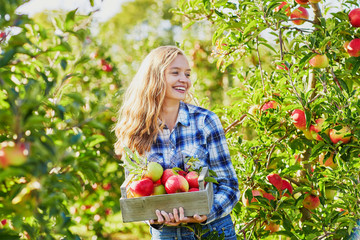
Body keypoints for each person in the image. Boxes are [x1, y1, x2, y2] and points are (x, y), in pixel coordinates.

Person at [114, 45, 240, 240]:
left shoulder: (205, 122)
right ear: (154, 77)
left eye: (187, 74)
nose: (185, 80)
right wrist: (154, 218)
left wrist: (206, 212)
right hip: (166, 234)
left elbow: (229, 185)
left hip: (213, 231)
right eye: (175, 73)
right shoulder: (136, 130)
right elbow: (135, 192)